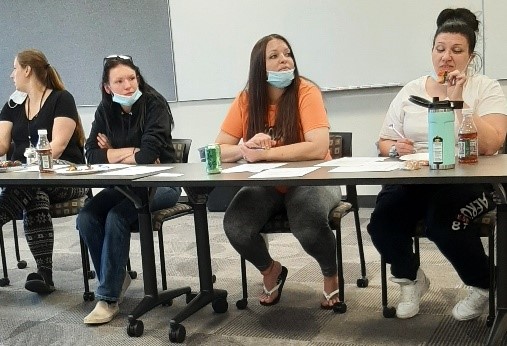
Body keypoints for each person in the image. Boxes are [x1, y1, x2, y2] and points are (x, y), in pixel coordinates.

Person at [368, 8, 507, 321]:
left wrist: (458, 101)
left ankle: (484, 284)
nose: (446, 57)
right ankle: (411, 280)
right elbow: (384, 142)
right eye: (440, 49)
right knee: (382, 222)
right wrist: (394, 149)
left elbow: (492, 144)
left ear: (470, 56)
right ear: (432, 51)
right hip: (419, 177)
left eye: (456, 51)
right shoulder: (412, 91)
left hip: (468, 178)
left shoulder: (486, 88)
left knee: (443, 223)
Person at [215, 34, 342, 309]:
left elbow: (318, 147)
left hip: (315, 177)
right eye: (274, 56)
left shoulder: (307, 91)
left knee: (307, 222)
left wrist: (266, 153)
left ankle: (330, 273)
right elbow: (219, 149)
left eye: (287, 54)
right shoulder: (246, 99)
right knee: (235, 225)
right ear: (259, 68)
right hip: (269, 183)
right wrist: (245, 149)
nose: (285, 60)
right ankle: (270, 270)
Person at [77, 55, 181, 324]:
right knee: (86, 216)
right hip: (125, 186)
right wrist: (129, 151)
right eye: (119, 81)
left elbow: (148, 156)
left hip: (163, 183)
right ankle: (116, 276)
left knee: (117, 217)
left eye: (132, 78)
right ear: (107, 87)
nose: (128, 86)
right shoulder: (105, 110)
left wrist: (111, 151)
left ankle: (108, 298)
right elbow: (91, 154)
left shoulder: (154, 104)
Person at [0, 49, 88, 294]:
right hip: (29, 183)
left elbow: (57, 148)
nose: (11, 75)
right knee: (35, 194)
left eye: (14, 68)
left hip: (68, 177)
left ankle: (44, 272)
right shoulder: (13, 104)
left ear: (27, 70)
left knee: (31, 187)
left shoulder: (62, 99)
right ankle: (44, 274)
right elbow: (1, 145)